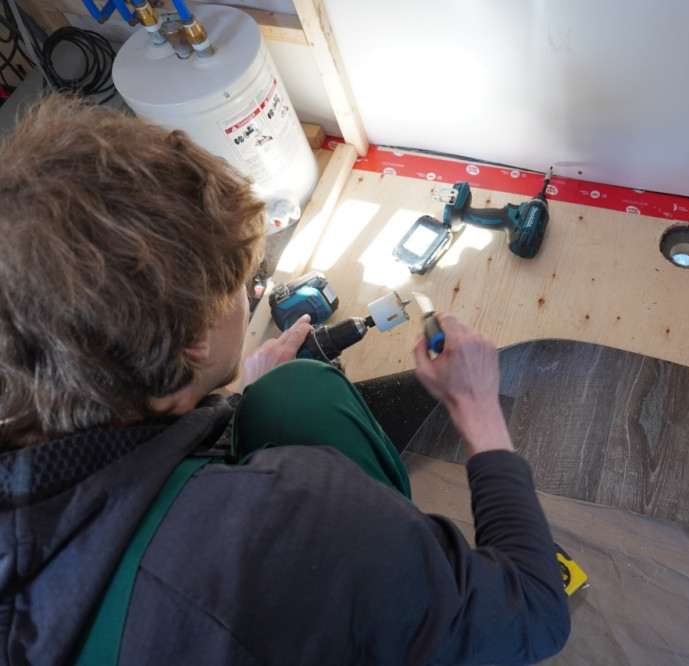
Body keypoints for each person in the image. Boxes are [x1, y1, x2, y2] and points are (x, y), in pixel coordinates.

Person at [0, 95, 570, 665]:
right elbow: (536, 612)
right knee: (300, 394)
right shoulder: (295, 515)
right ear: (192, 345)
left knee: (291, 392)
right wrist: (476, 408)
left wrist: (240, 402)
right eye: (245, 285)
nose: (253, 296)